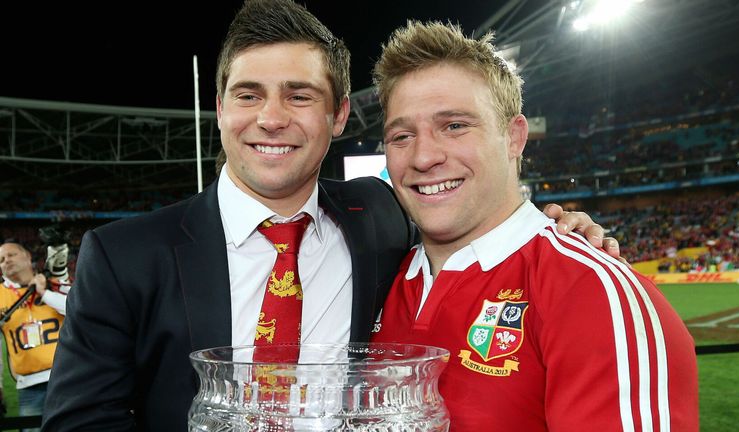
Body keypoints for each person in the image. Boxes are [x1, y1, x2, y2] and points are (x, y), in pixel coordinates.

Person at [43, 1, 617, 430]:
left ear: (339, 114)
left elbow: (473, 211)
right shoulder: (123, 257)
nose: (270, 118)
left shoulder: (381, 215)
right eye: (247, 95)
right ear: (219, 110)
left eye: (298, 95)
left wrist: (558, 226)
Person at [369, 21, 699, 431]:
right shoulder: (379, 278)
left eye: (454, 126)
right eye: (401, 136)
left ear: (514, 137)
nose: (423, 157)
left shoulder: (591, 291)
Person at [0, 241, 69, 431]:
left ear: (28, 256)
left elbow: (77, 308)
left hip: (67, 377)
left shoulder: (54, 283)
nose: (7, 261)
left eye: (12, 255)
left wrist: (44, 293)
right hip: (29, 386)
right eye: (2, 259)